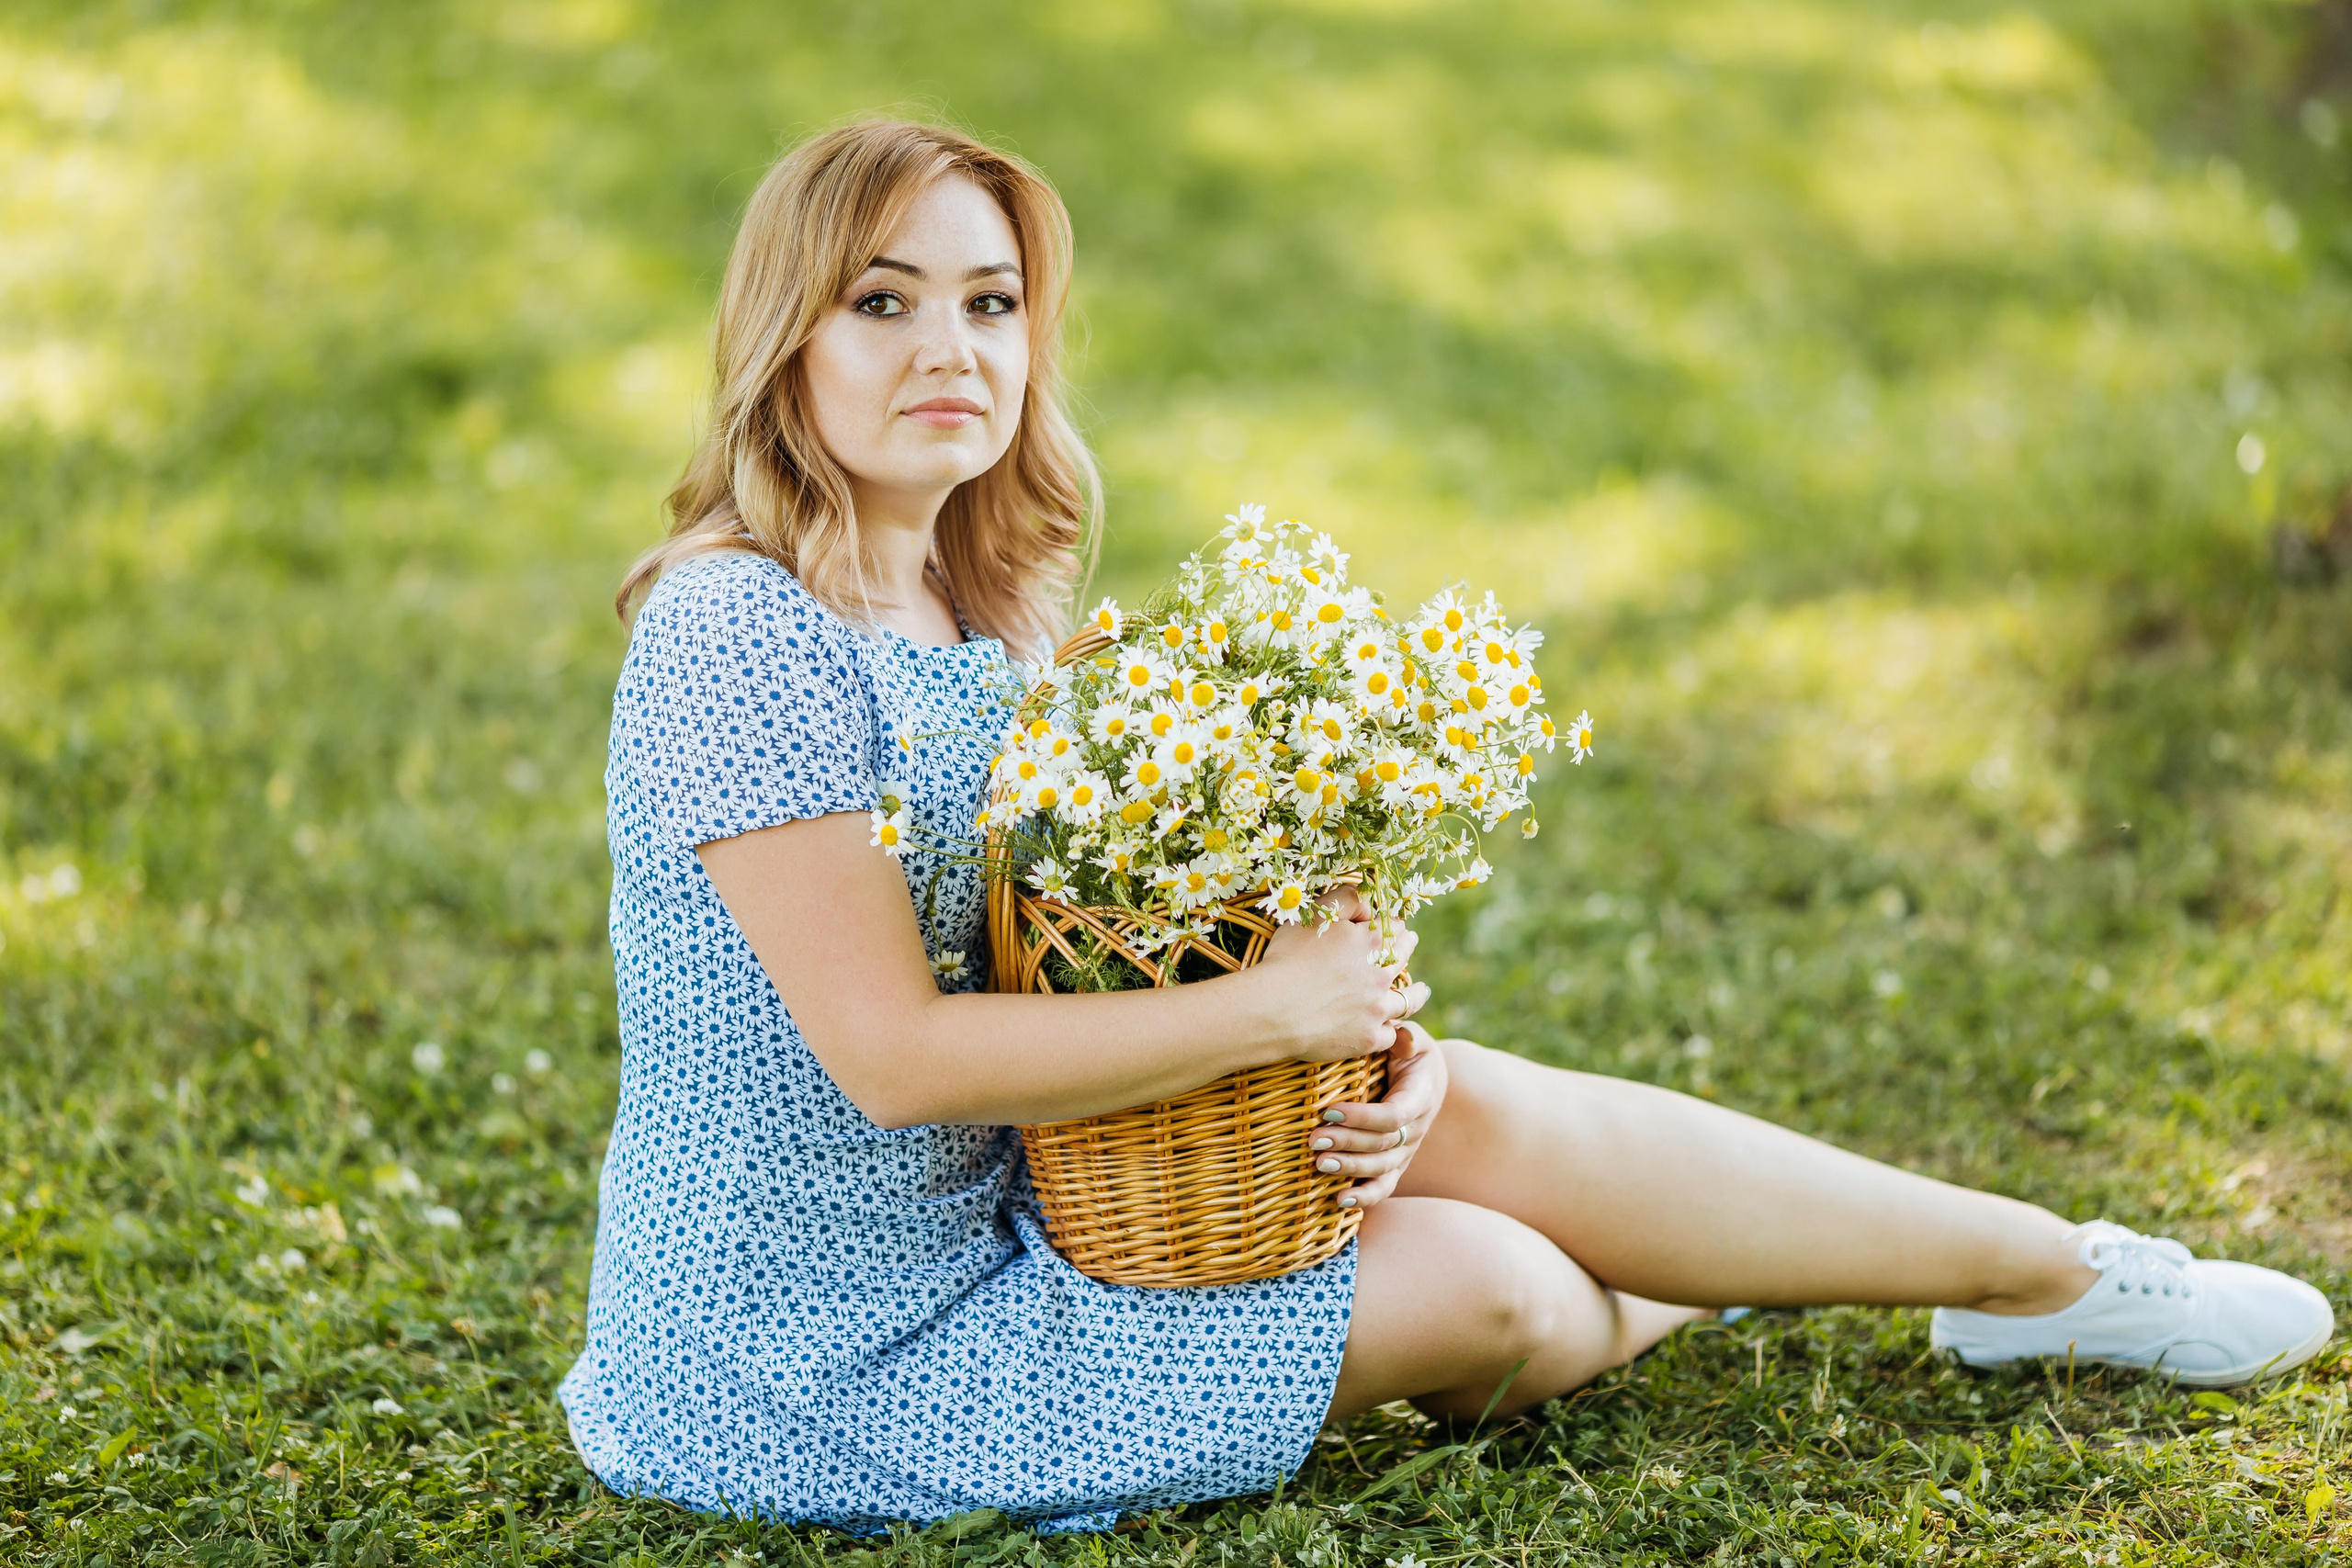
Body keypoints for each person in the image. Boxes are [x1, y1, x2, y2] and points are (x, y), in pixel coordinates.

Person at [557, 118, 2334, 1533]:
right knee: (1504, 1294)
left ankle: (2054, 1270)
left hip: (1048, 1208)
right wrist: (1277, 1019)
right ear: (783, 338)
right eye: (884, 302)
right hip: (812, 1359)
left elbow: (1087, 943)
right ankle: (1713, 1266)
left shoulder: (983, 606)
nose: (951, 346)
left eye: (991, 302)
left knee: (1457, 1099)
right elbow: (889, 1056)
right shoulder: (738, 634)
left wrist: (1340, 1046)